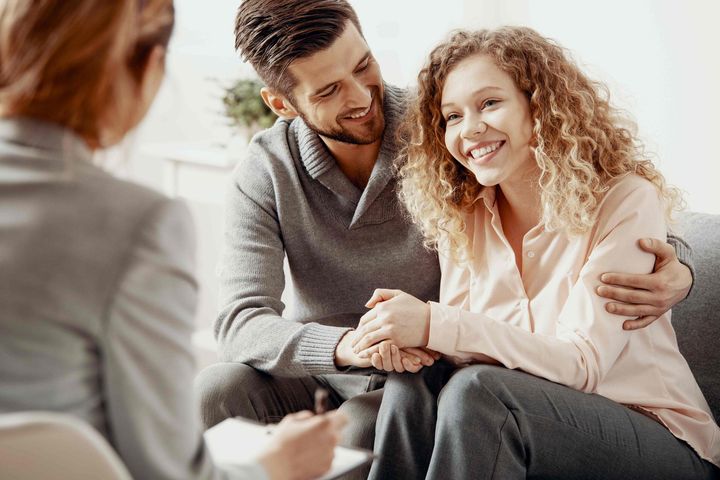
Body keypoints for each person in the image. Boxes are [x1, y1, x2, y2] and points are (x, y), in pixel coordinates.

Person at [195, 0, 698, 460]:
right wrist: (350, 346)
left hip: (422, 374)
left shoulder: (443, 128)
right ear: (283, 104)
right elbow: (240, 322)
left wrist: (680, 268)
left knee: (401, 411)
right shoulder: (270, 170)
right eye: (328, 90)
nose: (360, 96)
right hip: (353, 362)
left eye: (363, 65)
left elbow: (589, 200)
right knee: (215, 390)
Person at [347, 27, 720, 479]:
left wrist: (434, 322)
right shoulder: (463, 219)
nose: (470, 128)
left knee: (479, 392)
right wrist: (414, 346)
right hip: (536, 426)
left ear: (539, 106)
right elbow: (472, 351)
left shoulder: (625, 200)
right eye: (452, 116)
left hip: (657, 437)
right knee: (415, 386)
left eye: (489, 103)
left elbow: (582, 364)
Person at [0, 1, 345, 480]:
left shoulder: (434, 131)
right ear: (148, 67)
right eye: (328, 89)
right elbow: (167, 472)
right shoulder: (139, 223)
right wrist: (273, 467)